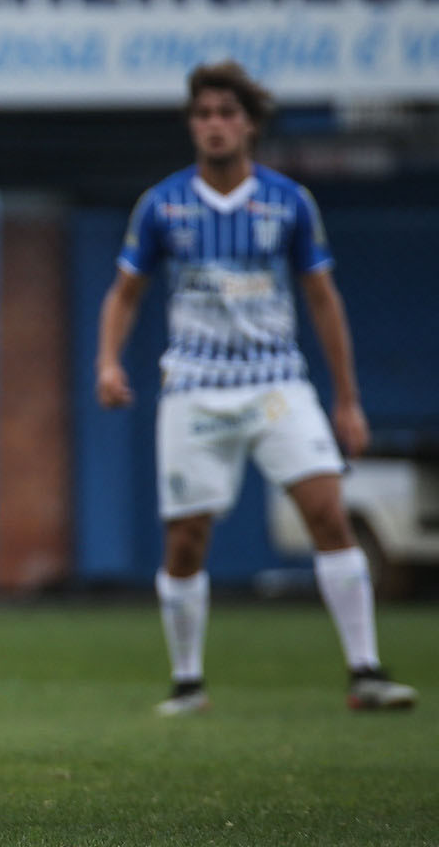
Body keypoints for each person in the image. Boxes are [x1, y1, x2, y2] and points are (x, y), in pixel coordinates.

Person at [95, 61, 417, 716]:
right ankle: (188, 681)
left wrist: (347, 399)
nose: (214, 126)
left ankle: (366, 669)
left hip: (275, 382)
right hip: (194, 385)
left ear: (249, 124)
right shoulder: (163, 204)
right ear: (193, 125)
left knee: (328, 511)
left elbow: (323, 299)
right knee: (186, 538)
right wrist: (108, 360)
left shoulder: (289, 202)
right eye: (203, 114)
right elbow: (125, 292)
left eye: (226, 114)